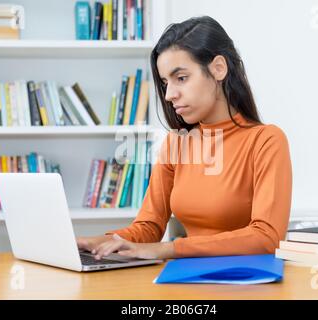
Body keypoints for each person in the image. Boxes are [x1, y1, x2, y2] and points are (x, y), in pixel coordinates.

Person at [77, 16, 292, 260]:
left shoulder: (266, 140)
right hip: (186, 278)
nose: (169, 94)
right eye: (165, 82)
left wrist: (171, 248)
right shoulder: (177, 142)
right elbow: (148, 227)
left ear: (218, 68)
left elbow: (267, 237)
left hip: (246, 285)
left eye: (181, 78)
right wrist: (94, 242)